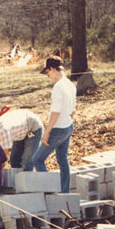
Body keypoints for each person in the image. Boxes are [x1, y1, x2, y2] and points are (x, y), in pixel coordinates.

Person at [33, 56, 76, 193]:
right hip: (68, 126)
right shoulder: (70, 84)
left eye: (48, 73)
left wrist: (47, 131)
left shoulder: (58, 87)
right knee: (62, 159)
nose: (48, 76)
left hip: (58, 128)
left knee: (37, 160)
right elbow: (73, 110)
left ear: (52, 69)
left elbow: (55, 112)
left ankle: (49, 191)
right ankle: (64, 192)